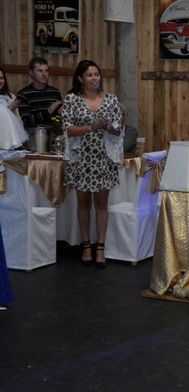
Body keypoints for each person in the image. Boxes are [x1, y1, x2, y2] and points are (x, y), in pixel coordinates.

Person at [61, 60, 124, 268]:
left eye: (97, 74)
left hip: (103, 158)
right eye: (90, 75)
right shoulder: (71, 99)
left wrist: (108, 127)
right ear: (81, 78)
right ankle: (86, 245)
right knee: (84, 204)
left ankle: (101, 248)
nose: (94, 78)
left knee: (102, 204)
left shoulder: (111, 100)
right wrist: (90, 126)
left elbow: (118, 130)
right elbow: (68, 129)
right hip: (81, 159)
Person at [17, 57, 62, 149]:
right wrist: (48, 112)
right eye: (40, 71)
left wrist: (61, 113)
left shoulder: (55, 92)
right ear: (31, 73)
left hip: (54, 137)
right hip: (33, 138)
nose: (44, 74)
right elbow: (26, 121)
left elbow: (57, 119)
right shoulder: (24, 94)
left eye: (46, 71)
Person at [0, 66, 29, 150]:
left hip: (10, 141)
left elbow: (17, 120)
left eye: (1, 78)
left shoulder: (10, 96)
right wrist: (9, 108)